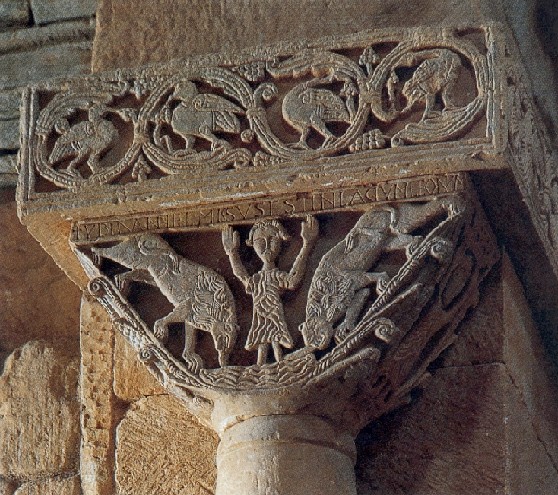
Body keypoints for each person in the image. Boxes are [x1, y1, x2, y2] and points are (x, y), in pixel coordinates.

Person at [222, 216, 318, 365]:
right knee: (262, 342)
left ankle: (279, 365)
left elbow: (293, 279)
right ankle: (262, 368)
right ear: (252, 244)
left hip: (274, 313)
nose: (266, 246)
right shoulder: (257, 278)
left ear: (280, 242)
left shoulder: (276, 275)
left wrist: (307, 245)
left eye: (272, 240)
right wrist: (232, 254)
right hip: (260, 315)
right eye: (260, 241)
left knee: (275, 339)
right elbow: (240, 274)